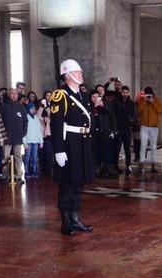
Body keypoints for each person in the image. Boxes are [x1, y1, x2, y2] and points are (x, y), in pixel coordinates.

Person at [49, 58, 95, 236]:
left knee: (78, 184)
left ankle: (75, 219)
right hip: (69, 145)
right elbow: (56, 124)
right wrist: (58, 150)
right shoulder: (60, 95)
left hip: (82, 143)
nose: (81, 74)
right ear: (67, 75)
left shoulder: (82, 95)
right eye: (77, 72)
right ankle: (66, 222)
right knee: (67, 184)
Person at [0, 88, 27, 183]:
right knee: (5, 158)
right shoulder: (3, 106)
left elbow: (25, 121)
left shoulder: (21, 106)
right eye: (12, 94)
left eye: (16, 94)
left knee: (18, 157)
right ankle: (5, 176)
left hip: (18, 137)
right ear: (8, 94)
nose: (14, 95)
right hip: (6, 137)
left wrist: (23, 133)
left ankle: (18, 176)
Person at [89, 91, 117, 179]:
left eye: (97, 97)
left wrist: (112, 130)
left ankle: (108, 168)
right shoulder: (88, 107)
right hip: (93, 134)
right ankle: (95, 169)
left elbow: (110, 117)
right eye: (93, 97)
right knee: (94, 152)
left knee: (106, 151)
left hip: (103, 132)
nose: (95, 99)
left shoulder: (104, 106)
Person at [136, 86, 162, 174]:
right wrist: (144, 101)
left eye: (149, 94)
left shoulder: (156, 99)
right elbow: (139, 111)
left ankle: (153, 167)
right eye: (147, 94)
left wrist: (152, 102)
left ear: (152, 94)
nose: (148, 96)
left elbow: (160, 110)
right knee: (143, 146)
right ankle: (141, 166)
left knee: (153, 147)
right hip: (144, 126)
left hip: (154, 127)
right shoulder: (142, 100)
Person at [113, 85, 136, 176]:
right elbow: (113, 115)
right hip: (118, 129)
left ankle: (128, 166)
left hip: (127, 129)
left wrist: (130, 121)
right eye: (123, 92)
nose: (125, 94)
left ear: (128, 93)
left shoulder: (131, 103)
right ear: (121, 92)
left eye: (126, 93)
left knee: (127, 149)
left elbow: (133, 114)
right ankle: (115, 166)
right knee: (117, 149)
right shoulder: (116, 102)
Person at [23, 102, 43, 178]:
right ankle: (26, 171)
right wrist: (24, 142)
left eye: (34, 108)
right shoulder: (26, 117)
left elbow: (39, 130)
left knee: (35, 156)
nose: (34, 110)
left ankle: (34, 170)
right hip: (28, 141)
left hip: (36, 141)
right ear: (28, 109)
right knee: (27, 157)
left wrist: (41, 142)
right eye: (32, 108)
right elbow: (23, 131)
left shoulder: (36, 117)